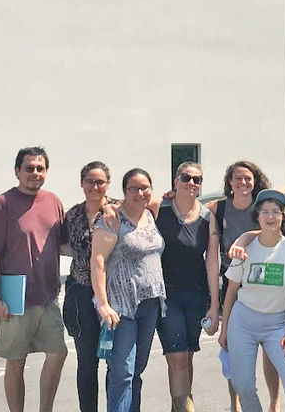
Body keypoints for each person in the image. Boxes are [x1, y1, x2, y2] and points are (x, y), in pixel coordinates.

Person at [0, 146, 68, 412]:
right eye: (29, 168)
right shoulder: (3, 204)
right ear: (17, 171)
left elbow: (62, 246)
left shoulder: (53, 201)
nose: (34, 173)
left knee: (58, 353)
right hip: (15, 300)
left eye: (40, 168)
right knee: (16, 361)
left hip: (48, 297)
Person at [219, 188, 285, 412]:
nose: (271, 217)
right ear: (257, 216)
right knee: (243, 385)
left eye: (276, 212)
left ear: (283, 215)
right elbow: (231, 292)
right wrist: (224, 330)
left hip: (278, 325)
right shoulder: (245, 248)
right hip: (243, 322)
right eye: (265, 212)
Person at [92, 168, 167, 412]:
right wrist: (103, 304)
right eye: (133, 188)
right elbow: (98, 261)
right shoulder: (112, 220)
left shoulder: (151, 213)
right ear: (124, 192)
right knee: (122, 371)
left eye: (144, 187)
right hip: (121, 308)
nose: (139, 193)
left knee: (137, 370)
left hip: (150, 304)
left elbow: (167, 199)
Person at [211, 160, 281, 412]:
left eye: (247, 178)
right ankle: (235, 404)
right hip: (233, 284)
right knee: (233, 348)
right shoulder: (218, 208)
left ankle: (274, 404)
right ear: (229, 182)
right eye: (237, 178)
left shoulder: (263, 206)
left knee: (270, 350)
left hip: (268, 282)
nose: (242, 182)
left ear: (255, 180)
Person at [156, 162, 222, 412]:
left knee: (188, 355)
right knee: (177, 357)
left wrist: (214, 306)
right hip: (166, 295)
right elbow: (131, 201)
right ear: (175, 182)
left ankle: (180, 406)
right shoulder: (158, 210)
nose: (191, 183)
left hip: (196, 295)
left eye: (197, 179)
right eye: (186, 178)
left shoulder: (208, 217)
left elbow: (212, 263)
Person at [62, 161, 115, 412]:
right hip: (81, 295)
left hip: (113, 296)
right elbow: (59, 245)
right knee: (87, 362)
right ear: (82, 183)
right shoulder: (72, 215)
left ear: (108, 184)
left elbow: (151, 203)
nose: (95, 186)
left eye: (100, 182)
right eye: (90, 181)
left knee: (115, 362)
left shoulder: (119, 210)